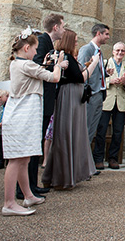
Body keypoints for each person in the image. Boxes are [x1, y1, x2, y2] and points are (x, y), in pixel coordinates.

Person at [2, 28, 67, 216]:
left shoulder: (19, 63)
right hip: (22, 116)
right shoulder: (26, 65)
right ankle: (9, 203)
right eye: (35, 49)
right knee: (16, 160)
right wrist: (58, 63)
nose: (36, 53)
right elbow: (54, 78)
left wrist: (47, 64)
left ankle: (28, 195)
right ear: (27, 48)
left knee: (24, 158)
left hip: (25, 114)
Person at [42, 30, 99, 189]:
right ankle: (62, 178)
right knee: (66, 134)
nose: (76, 42)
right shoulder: (65, 57)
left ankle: (57, 176)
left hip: (74, 96)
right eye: (74, 40)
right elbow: (81, 77)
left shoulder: (68, 57)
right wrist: (94, 63)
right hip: (69, 97)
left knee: (71, 134)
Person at [22, 14, 65, 198]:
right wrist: (58, 65)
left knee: (36, 144)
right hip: (39, 100)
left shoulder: (48, 42)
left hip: (45, 99)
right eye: (63, 26)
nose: (64, 29)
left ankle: (32, 185)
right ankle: (25, 188)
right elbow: (37, 66)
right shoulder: (42, 41)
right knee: (32, 144)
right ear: (55, 27)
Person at [93, 42, 125, 170]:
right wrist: (109, 81)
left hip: (120, 103)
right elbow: (97, 80)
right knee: (102, 130)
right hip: (107, 102)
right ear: (113, 51)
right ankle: (98, 158)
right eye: (117, 50)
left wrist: (124, 83)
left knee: (118, 131)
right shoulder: (105, 63)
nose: (120, 53)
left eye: (122, 51)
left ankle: (113, 158)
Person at [77, 23, 111, 142]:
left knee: (92, 129)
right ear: (98, 33)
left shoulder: (99, 51)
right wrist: (87, 92)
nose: (108, 37)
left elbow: (95, 71)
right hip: (90, 94)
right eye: (106, 34)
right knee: (85, 127)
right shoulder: (87, 50)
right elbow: (82, 70)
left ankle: (86, 157)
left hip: (100, 94)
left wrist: (105, 73)